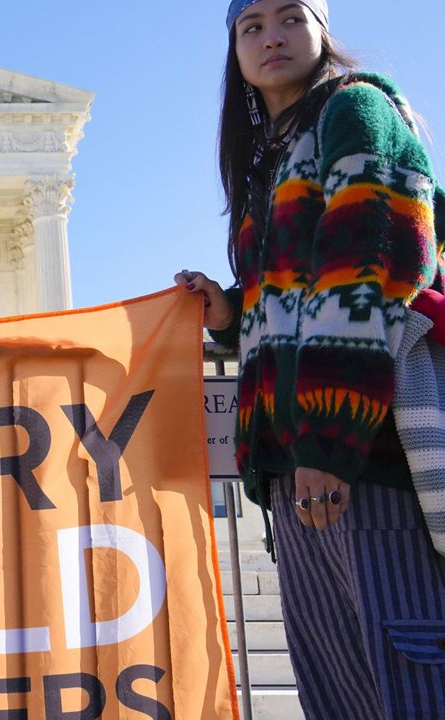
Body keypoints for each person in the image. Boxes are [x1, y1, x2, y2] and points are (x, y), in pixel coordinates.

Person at [178, 1, 445, 717]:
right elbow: (292, 295)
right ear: (234, 51)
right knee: (341, 699)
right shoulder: (268, 161)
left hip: (363, 460)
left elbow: (371, 272)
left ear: (323, 31)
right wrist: (232, 314)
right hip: (295, 469)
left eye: (291, 16)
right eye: (251, 25)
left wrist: (327, 442)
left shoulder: (357, 112)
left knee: (410, 688)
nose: (272, 37)